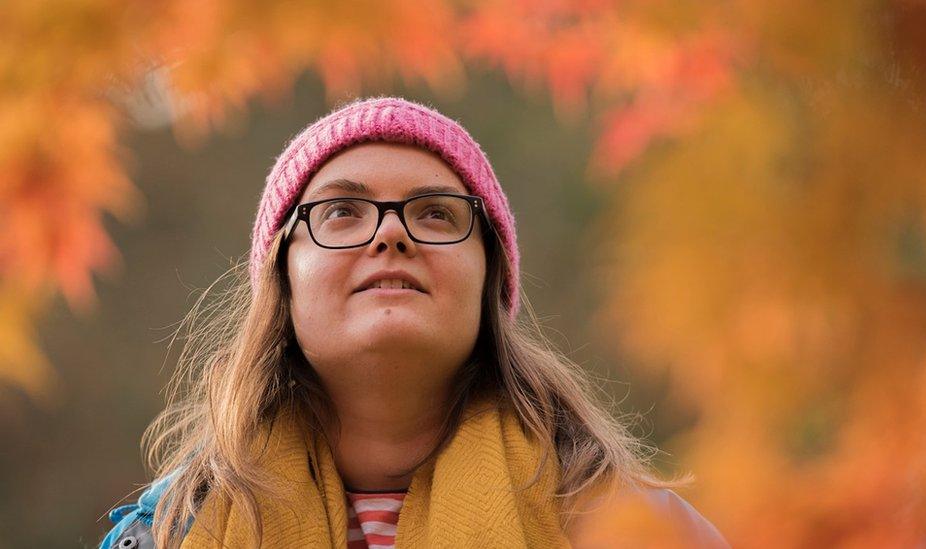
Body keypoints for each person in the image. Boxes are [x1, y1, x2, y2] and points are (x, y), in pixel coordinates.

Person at [98, 96, 730, 548]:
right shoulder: (168, 532)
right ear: (282, 281)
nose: (393, 232)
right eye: (342, 211)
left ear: (490, 279)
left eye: (435, 213)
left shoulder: (633, 528)